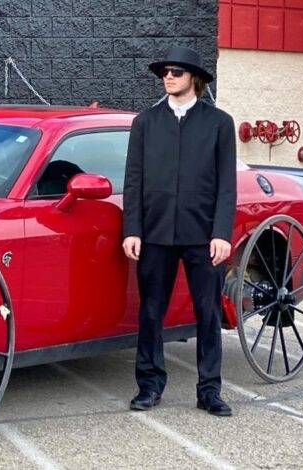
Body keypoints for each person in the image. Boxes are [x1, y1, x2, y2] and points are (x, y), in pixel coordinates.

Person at [122, 46, 237, 417]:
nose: (167, 77)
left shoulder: (219, 123)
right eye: (164, 72)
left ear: (194, 78)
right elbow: (133, 180)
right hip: (154, 234)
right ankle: (149, 385)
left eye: (175, 71)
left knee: (207, 312)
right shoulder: (145, 122)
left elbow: (227, 186)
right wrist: (132, 229)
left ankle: (209, 391)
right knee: (151, 312)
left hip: (203, 235)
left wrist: (222, 232)